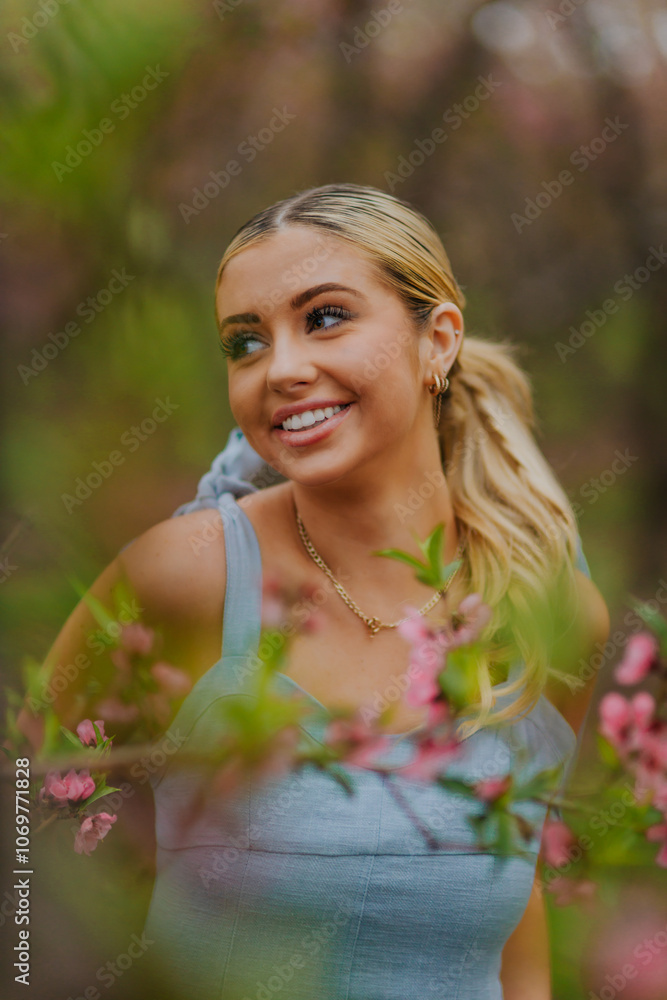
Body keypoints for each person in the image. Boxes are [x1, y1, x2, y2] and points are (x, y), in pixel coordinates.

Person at [27, 183, 610, 999]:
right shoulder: (184, 578)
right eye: (245, 343)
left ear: (436, 340)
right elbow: (28, 817)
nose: (282, 369)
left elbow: (514, 886)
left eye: (325, 317)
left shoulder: (548, 619)